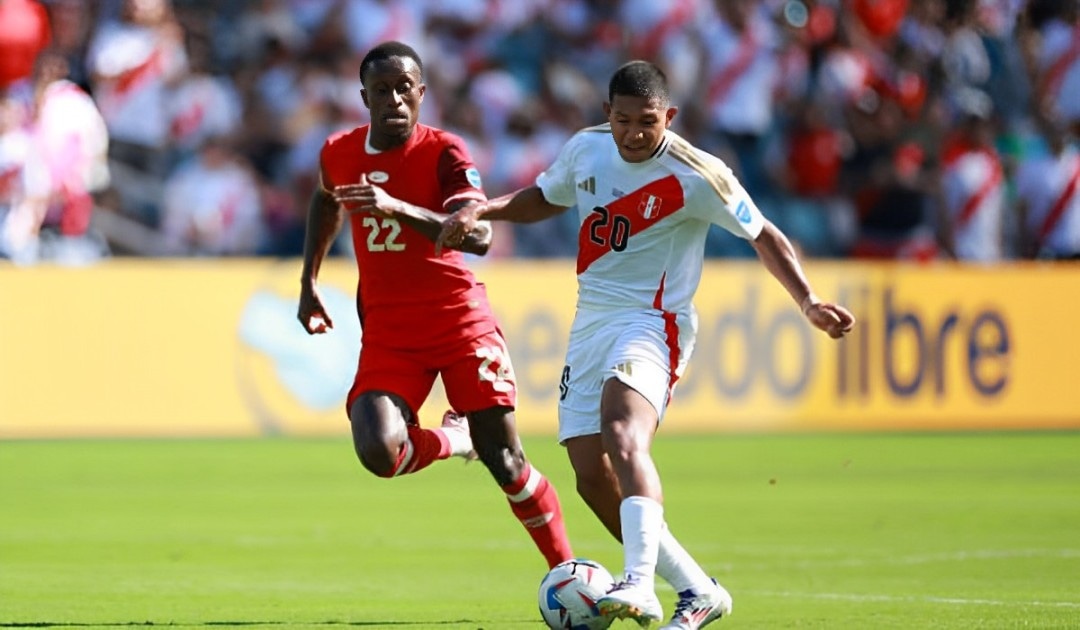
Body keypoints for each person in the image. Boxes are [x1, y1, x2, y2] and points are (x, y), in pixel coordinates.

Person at [438, 60, 855, 629]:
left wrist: (807, 301)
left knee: (622, 432)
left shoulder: (698, 174)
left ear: (670, 117)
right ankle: (697, 589)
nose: (634, 134)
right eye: (624, 120)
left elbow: (763, 233)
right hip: (592, 319)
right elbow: (545, 196)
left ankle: (638, 582)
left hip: (654, 321)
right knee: (589, 472)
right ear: (607, 114)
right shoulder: (586, 149)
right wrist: (486, 207)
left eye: (648, 123)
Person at [296, 41, 574, 571]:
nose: (395, 100)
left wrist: (395, 207)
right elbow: (325, 198)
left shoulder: (445, 151)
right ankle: (453, 437)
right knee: (379, 451)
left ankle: (565, 573)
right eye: (383, 90)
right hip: (389, 328)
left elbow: (480, 237)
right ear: (365, 97)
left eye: (405, 89)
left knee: (506, 460)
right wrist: (309, 279)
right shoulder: (339, 151)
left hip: (457, 319)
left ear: (422, 93)